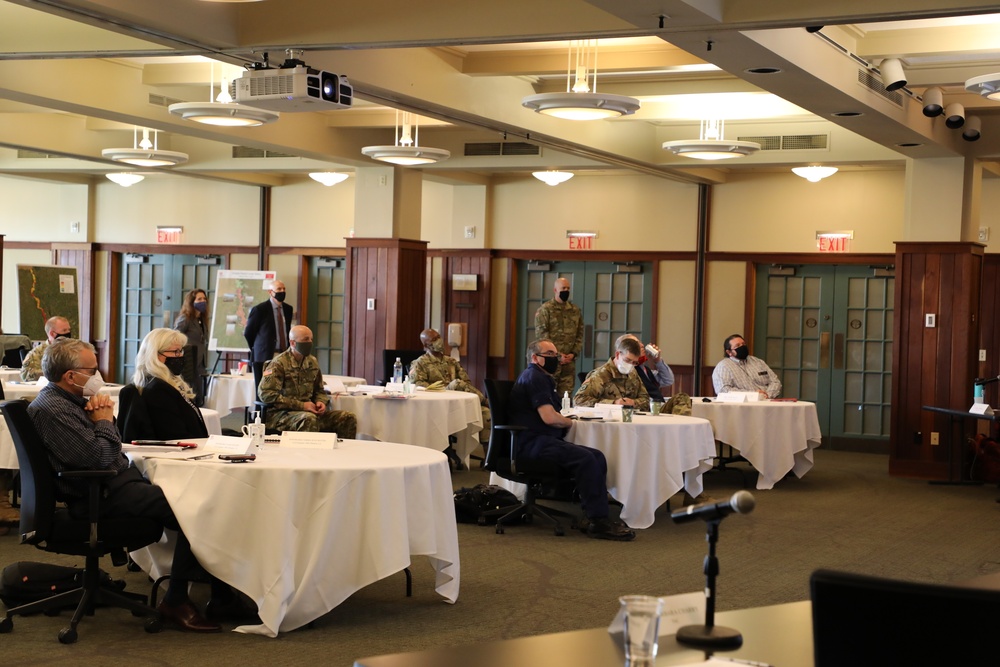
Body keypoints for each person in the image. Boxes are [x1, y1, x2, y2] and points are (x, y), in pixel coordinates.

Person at [25, 338, 229, 632]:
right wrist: (105, 420)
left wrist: (102, 420)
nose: (99, 377)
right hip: (98, 497)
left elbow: (109, 450)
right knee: (196, 507)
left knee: (196, 498)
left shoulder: (71, 402)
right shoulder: (54, 409)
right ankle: (176, 600)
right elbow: (101, 457)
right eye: (92, 370)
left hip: (113, 486)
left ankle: (220, 595)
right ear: (70, 376)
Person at [508, 338, 635, 541]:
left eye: (556, 355)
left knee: (596, 456)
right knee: (586, 459)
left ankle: (592, 515)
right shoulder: (535, 377)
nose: (556, 359)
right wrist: (570, 423)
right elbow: (549, 417)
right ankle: (599, 521)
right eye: (550, 355)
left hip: (543, 440)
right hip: (532, 443)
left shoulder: (542, 377)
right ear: (535, 358)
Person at [257, 325, 357, 438]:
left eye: (311, 339)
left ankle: (341, 455)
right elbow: (266, 394)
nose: (309, 342)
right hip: (281, 415)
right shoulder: (279, 364)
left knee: (347, 417)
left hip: (309, 412)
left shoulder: (312, 362)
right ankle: (309, 455)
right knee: (309, 419)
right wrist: (302, 405)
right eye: (305, 339)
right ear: (293, 343)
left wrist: (321, 402)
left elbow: (319, 390)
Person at [408, 328, 491, 446]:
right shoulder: (420, 363)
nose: (439, 341)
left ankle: (488, 459)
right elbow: (417, 385)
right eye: (434, 339)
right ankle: (486, 401)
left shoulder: (451, 361)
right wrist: (442, 388)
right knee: (456, 383)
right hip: (437, 404)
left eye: (439, 337)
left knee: (486, 413)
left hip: (458, 403)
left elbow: (466, 382)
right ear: (426, 344)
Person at [124, 328, 208, 442]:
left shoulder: (163, 382)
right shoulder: (158, 390)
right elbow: (173, 434)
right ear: (155, 354)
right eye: (175, 352)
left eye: (181, 351)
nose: (180, 356)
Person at [573, 334, 650, 412]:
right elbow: (578, 400)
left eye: (634, 363)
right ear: (617, 354)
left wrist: (634, 403)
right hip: (605, 420)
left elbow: (646, 400)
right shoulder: (601, 375)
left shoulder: (632, 373)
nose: (630, 365)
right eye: (627, 360)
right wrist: (613, 404)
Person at [534, 277, 583, 396]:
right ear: (555, 290)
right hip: (551, 361)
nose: (566, 291)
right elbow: (542, 336)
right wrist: (558, 355)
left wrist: (573, 354)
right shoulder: (545, 310)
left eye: (568, 288)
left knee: (565, 397)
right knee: (548, 394)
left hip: (569, 363)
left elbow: (580, 334)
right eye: (563, 288)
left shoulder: (575, 310)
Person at [244, 279, 292, 399]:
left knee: (282, 388)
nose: (282, 291)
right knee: (263, 390)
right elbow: (249, 333)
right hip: (264, 355)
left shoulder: (288, 309)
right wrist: (258, 347)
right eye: (279, 289)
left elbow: (287, 329)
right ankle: (260, 415)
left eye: (284, 289)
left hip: (283, 354)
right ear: (270, 292)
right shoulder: (260, 309)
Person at [712, 333, 782, 399]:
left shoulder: (758, 362)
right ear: (729, 352)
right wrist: (753, 395)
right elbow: (723, 390)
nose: (742, 347)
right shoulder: (723, 366)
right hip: (742, 406)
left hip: (767, 401)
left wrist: (767, 394)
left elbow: (775, 381)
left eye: (743, 344)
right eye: (737, 346)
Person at [174, 289, 210, 407]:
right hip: (188, 362)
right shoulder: (185, 319)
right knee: (190, 393)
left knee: (199, 394)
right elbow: (175, 337)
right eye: (199, 299)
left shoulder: (201, 320)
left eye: (204, 299)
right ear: (191, 302)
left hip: (199, 362)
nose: (203, 301)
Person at [19, 315, 71, 381]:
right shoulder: (37, 353)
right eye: (64, 330)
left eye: (69, 329)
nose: (68, 333)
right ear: (52, 334)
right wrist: (56, 375)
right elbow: (26, 375)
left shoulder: (74, 350)